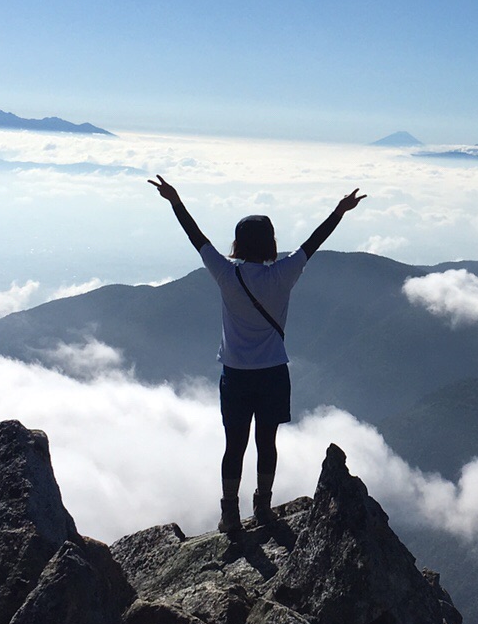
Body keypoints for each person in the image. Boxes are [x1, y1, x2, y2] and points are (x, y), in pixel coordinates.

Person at [148, 175, 365, 534]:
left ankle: (230, 514)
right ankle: (263, 507)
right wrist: (340, 210)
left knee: (234, 446)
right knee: (267, 443)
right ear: (271, 244)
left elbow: (197, 238)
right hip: (272, 373)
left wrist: (175, 201)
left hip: (235, 374)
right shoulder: (284, 274)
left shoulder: (225, 275)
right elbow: (313, 242)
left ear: (236, 244)